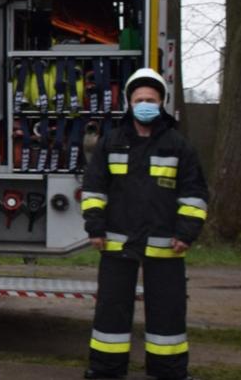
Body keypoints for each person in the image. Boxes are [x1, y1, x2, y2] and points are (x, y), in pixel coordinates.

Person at [82, 67, 206, 380]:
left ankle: (169, 372)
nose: (145, 104)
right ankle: (105, 371)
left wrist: (186, 234)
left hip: (166, 245)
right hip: (116, 242)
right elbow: (94, 188)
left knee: (168, 314)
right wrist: (95, 228)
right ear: (129, 102)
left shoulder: (178, 146)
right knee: (111, 311)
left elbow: (194, 194)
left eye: (151, 98)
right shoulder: (111, 142)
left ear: (162, 102)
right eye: (139, 99)